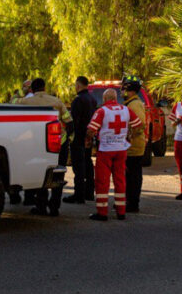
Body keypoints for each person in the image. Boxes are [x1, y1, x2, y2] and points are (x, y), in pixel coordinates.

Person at [17, 78, 71, 216]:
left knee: (41, 173)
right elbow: (69, 121)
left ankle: (41, 206)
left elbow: (12, 103)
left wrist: (21, 91)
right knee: (58, 174)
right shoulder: (56, 101)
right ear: (44, 87)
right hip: (59, 143)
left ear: (32, 90)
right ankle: (54, 207)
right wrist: (67, 139)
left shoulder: (25, 102)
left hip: (37, 144)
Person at [86, 88, 141, 221]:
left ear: (105, 99)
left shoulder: (102, 111)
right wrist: (129, 136)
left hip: (105, 150)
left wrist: (88, 141)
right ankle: (121, 212)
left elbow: (91, 130)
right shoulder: (126, 110)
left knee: (102, 181)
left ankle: (102, 212)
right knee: (120, 180)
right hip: (121, 150)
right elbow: (138, 125)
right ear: (116, 99)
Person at [63, 76, 96, 204]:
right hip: (88, 137)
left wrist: (70, 136)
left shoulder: (78, 100)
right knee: (88, 164)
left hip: (78, 137)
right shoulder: (92, 99)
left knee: (78, 167)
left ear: (78, 85)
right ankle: (89, 193)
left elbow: (74, 120)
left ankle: (79, 195)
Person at [122, 75, 147, 213]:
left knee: (133, 177)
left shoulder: (135, 104)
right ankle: (128, 201)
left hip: (134, 147)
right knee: (129, 176)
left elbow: (139, 125)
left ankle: (133, 203)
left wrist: (129, 137)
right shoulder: (130, 103)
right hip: (130, 147)